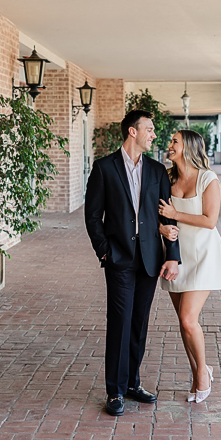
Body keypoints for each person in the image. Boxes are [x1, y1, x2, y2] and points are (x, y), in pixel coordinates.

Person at [84, 109, 181, 417]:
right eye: (149, 129)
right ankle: (114, 389)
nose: (153, 134)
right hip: (119, 257)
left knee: (139, 324)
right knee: (120, 323)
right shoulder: (104, 168)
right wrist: (104, 250)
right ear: (132, 132)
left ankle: (132, 383)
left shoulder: (156, 170)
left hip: (150, 258)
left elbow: (167, 214)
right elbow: (92, 215)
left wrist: (172, 255)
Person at [157, 129, 221, 403]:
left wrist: (175, 214)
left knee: (188, 319)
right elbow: (158, 214)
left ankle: (202, 377)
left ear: (189, 147)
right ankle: (198, 371)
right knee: (184, 322)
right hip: (176, 254)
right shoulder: (167, 177)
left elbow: (210, 221)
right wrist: (164, 227)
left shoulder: (208, 180)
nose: (170, 145)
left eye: (175, 141)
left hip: (204, 255)